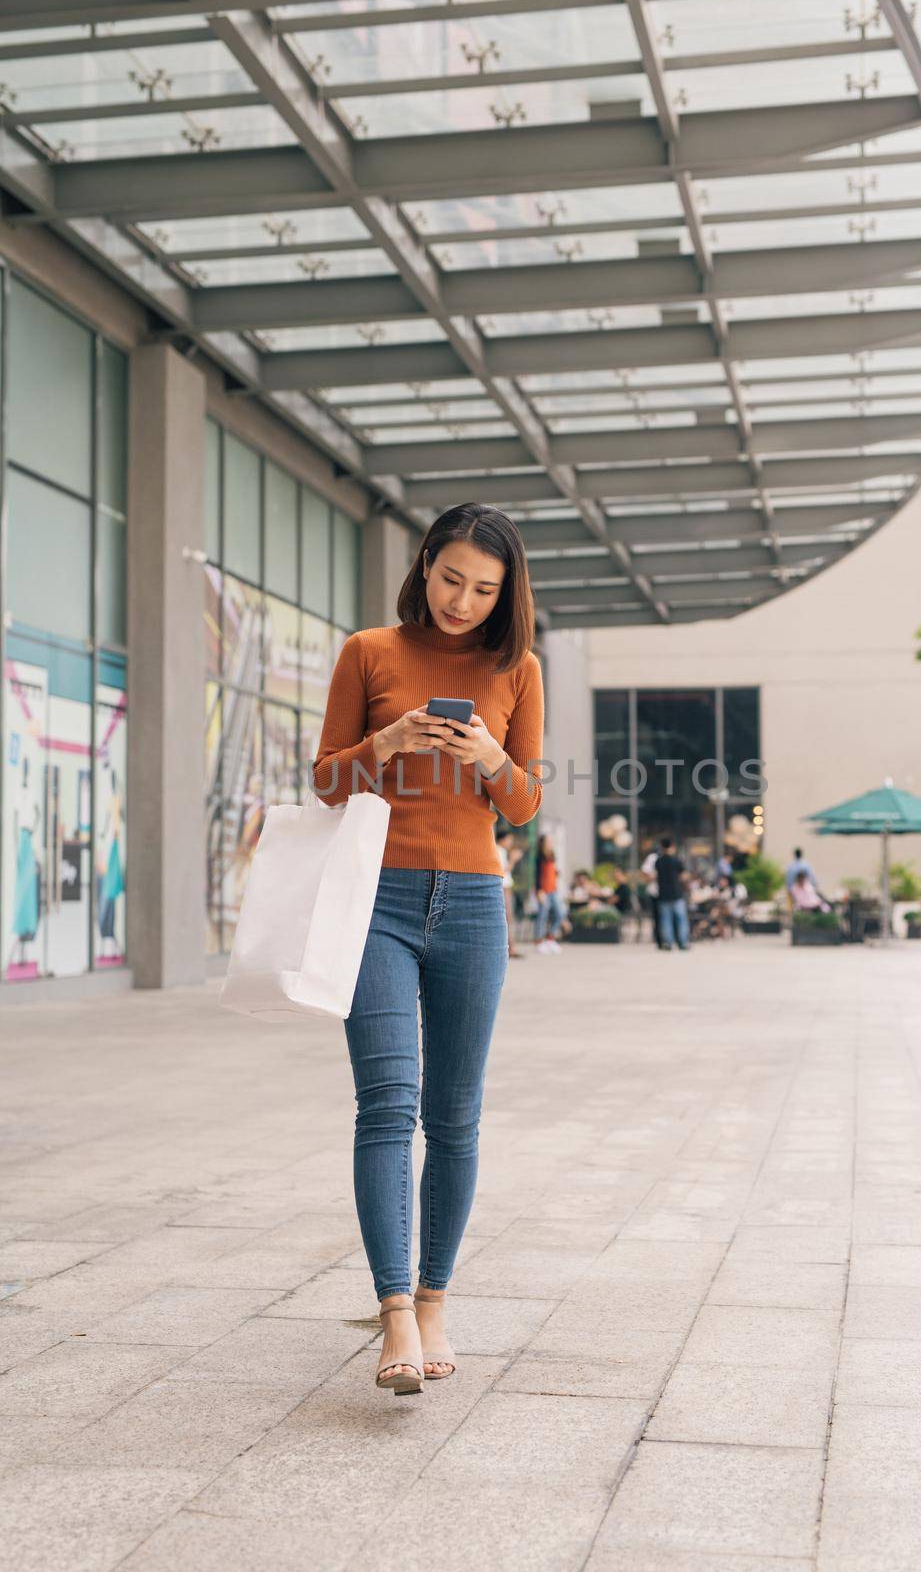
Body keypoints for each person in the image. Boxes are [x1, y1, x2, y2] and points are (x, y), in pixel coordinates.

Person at [313, 502, 544, 1395]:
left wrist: (487, 754)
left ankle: (436, 1297)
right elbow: (326, 780)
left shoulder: (516, 666)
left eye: (484, 589)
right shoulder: (369, 651)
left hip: (476, 903)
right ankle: (395, 1315)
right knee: (386, 1106)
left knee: (454, 1117)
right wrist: (388, 740)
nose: (462, 601)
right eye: (451, 579)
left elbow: (522, 804)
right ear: (424, 566)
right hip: (375, 899)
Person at [655, 835, 690, 951]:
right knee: (681, 919)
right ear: (672, 846)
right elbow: (684, 876)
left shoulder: (658, 861)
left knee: (665, 920)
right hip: (677, 893)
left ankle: (668, 943)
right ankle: (683, 943)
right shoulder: (676, 861)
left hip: (663, 894)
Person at [534, 834, 565, 953]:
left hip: (554, 890)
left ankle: (550, 938)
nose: (551, 843)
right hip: (544, 891)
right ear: (543, 843)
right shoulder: (539, 857)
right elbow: (537, 875)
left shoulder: (552, 856)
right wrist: (539, 890)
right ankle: (539, 941)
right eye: (548, 841)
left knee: (560, 913)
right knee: (542, 916)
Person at [496, 828, 522, 959]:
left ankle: (511, 946)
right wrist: (513, 860)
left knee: (508, 918)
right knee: (507, 918)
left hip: (506, 887)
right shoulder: (499, 851)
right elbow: (502, 871)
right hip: (503, 887)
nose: (510, 842)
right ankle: (510, 948)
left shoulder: (502, 851)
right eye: (509, 839)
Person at [640, 843, 663, 947]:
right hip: (655, 892)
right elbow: (644, 872)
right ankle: (659, 939)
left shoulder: (670, 856)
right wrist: (655, 877)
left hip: (667, 892)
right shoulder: (653, 857)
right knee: (658, 916)